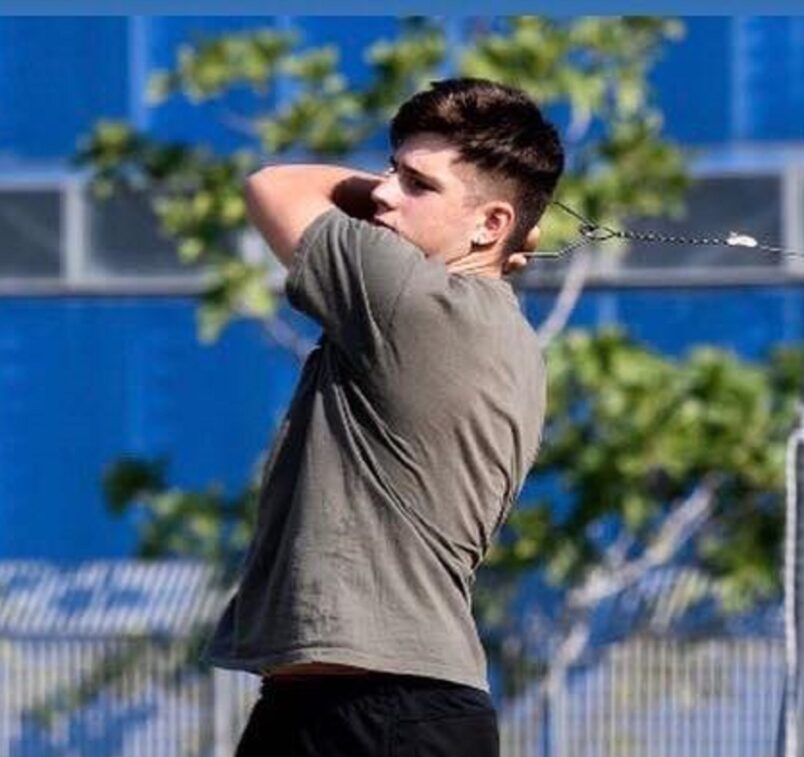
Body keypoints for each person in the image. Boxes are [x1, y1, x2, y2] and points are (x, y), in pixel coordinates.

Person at [204, 77, 563, 757]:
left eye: (418, 184)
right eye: (390, 169)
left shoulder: (410, 301)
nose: (384, 193)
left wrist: (388, 195)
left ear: (492, 225)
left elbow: (275, 187)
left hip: (382, 711)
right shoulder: (490, 324)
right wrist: (486, 215)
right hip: (347, 705)